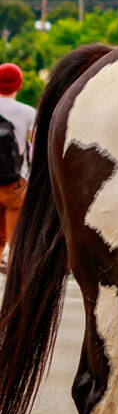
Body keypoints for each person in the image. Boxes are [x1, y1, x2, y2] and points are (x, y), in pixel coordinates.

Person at [0, 63, 36, 272]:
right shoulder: (29, 113)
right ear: (18, 85)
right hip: (16, 182)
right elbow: (36, 150)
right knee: (15, 244)